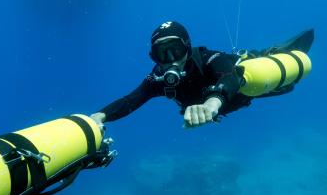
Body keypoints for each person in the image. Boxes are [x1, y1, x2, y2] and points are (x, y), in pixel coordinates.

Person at [90, 21, 314, 129]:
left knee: (276, 84)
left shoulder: (209, 58)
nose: (171, 60)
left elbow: (230, 76)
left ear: (188, 48)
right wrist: (99, 116)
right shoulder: (158, 79)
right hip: (230, 102)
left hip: (243, 86)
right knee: (283, 89)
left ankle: (274, 53)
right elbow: (130, 101)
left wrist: (211, 104)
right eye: (162, 54)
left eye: (176, 51)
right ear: (153, 57)